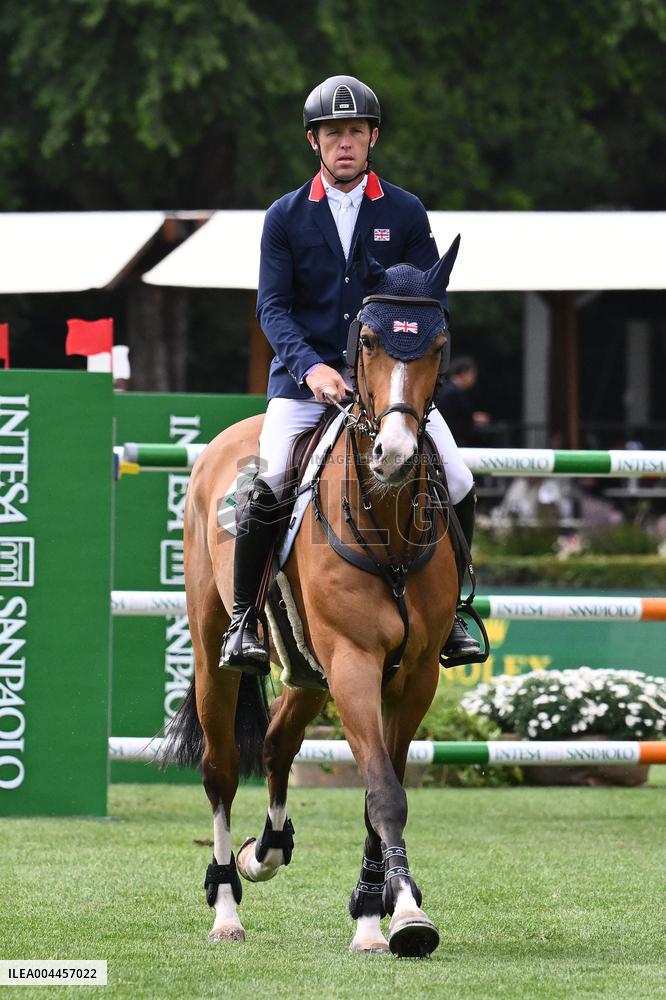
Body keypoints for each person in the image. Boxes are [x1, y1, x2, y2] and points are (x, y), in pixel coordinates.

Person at [219, 74, 480, 674]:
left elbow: (424, 302)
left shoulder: (405, 211)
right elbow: (272, 308)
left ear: (372, 138)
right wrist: (310, 368)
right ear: (314, 141)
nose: (344, 143)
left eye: (355, 132)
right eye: (333, 133)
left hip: (388, 386)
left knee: (460, 478)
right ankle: (243, 619)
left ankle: (459, 609)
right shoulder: (284, 216)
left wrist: (401, 370)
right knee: (264, 484)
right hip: (303, 383)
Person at [436, 356, 490, 447]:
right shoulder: (453, 393)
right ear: (464, 373)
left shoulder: (450, 390)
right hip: (452, 443)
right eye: (472, 374)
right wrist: (472, 421)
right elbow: (454, 421)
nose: (473, 379)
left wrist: (473, 419)